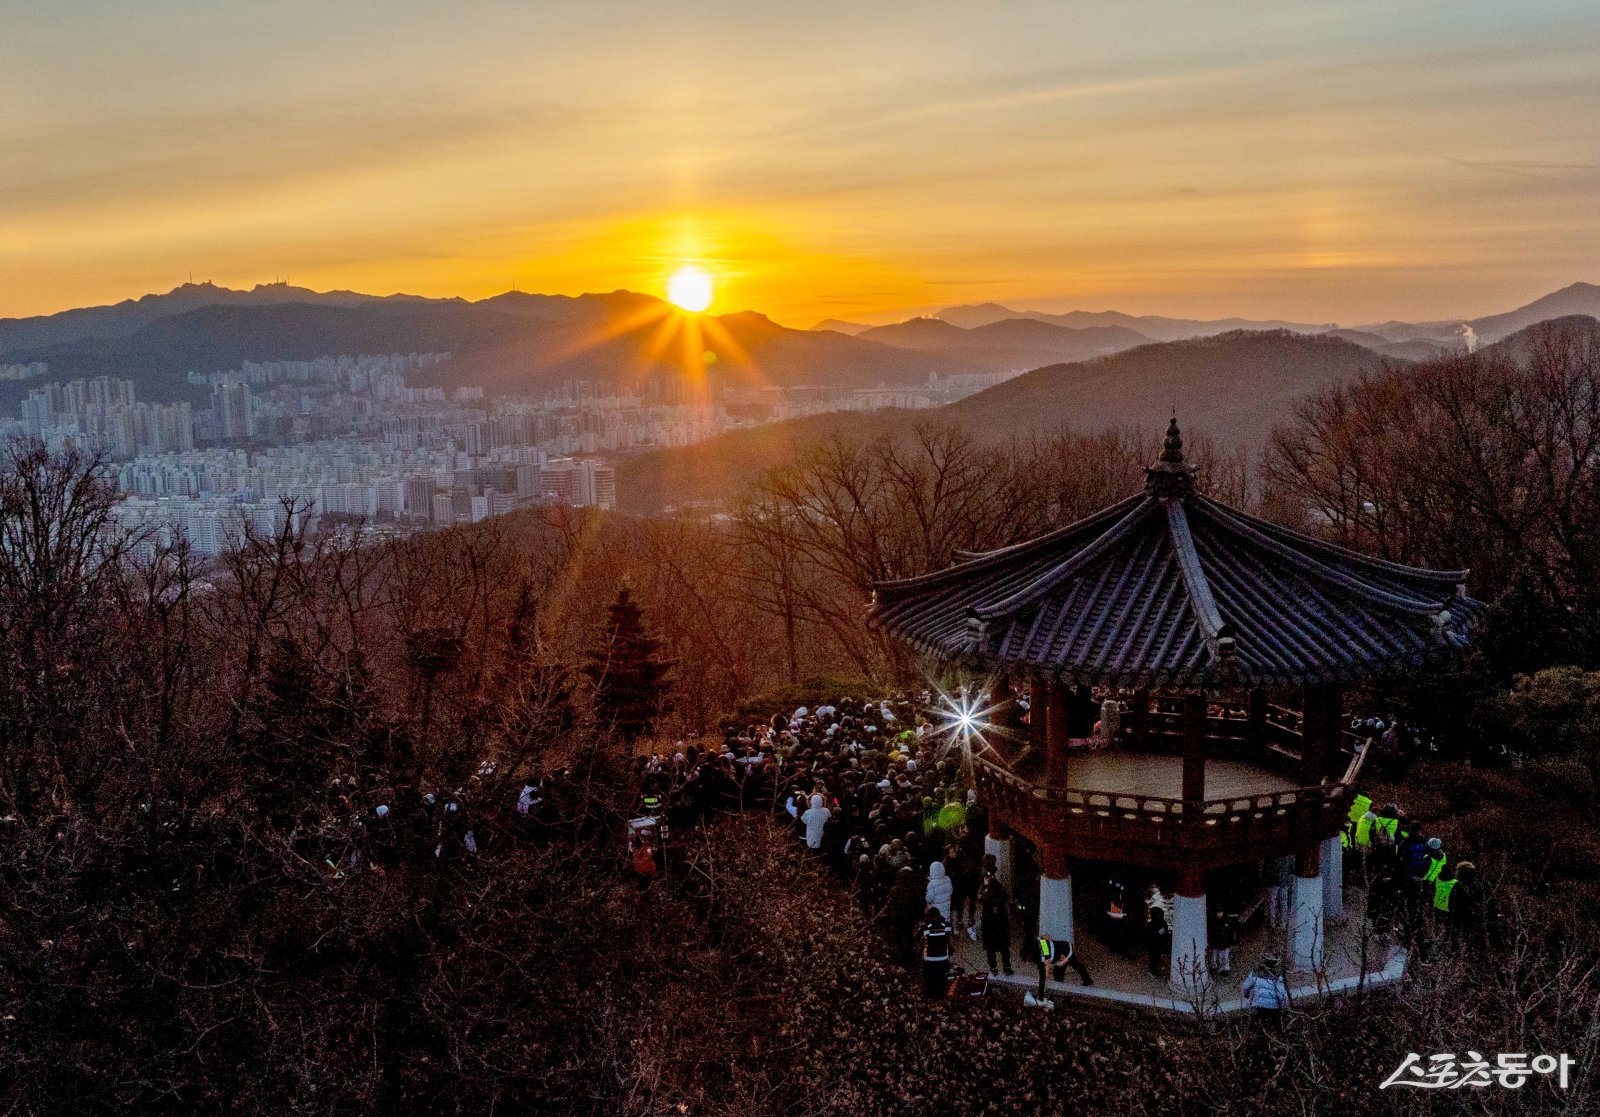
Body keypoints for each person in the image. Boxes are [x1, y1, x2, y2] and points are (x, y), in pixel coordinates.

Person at [1036, 934, 1094, 999]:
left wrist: (1044, 982)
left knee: (1074, 965)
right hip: (1062, 950)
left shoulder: (1044, 951)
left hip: (1066, 950)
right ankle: (1060, 989)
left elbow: (1047, 968)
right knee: (1059, 971)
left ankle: (1087, 980)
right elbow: (1045, 937)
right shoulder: (1040, 942)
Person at [979, 873, 1015, 976]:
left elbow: (980, 896)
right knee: (1004, 947)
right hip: (1001, 924)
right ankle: (1007, 967)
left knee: (990, 948)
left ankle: (993, 968)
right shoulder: (1002, 895)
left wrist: (985, 885)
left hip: (989, 925)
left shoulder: (986, 896)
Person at [1242, 954, 1288, 1027]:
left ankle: (1253, 1030)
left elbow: (1246, 986)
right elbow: (1281, 994)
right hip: (1273, 1006)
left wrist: (1246, 995)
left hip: (1258, 1005)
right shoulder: (1277, 976)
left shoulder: (1255, 973)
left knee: (1256, 1024)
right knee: (1277, 1025)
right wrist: (1284, 1006)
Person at [921, 907, 953, 997]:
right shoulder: (946, 925)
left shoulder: (926, 927)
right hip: (943, 957)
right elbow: (949, 939)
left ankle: (931, 994)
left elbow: (923, 941)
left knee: (930, 977)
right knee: (941, 976)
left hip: (930, 958)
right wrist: (950, 948)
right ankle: (941, 993)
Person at [1147, 908, 1171, 978]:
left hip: (1155, 944)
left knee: (1154, 958)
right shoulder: (1161, 924)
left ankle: (1153, 971)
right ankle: (1154, 971)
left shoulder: (1152, 924)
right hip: (1157, 943)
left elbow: (1160, 934)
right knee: (1155, 958)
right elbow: (1163, 933)